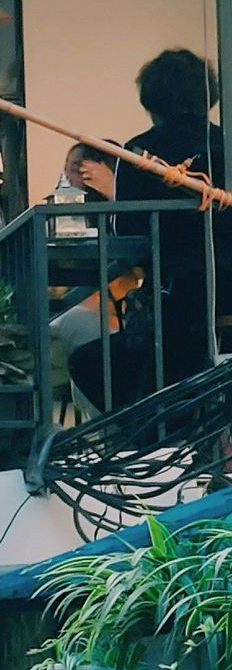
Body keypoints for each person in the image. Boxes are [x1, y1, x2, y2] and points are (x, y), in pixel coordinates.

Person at [69, 50, 228, 409]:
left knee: (91, 362)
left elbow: (127, 232)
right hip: (224, 295)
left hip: (178, 299)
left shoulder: (140, 152)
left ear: (151, 99)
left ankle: (147, 440)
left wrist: (112, 193)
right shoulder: (226, 144)